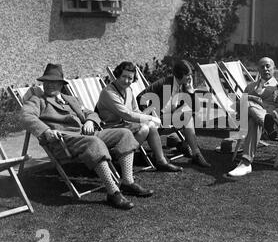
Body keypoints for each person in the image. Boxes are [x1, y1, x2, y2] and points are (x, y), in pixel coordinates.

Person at [22, 63, 154, 210]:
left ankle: (127, 182)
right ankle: (113, 192)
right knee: (94, 142)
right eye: (46, 82)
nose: (49, 85)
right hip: (64, 142)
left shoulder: (71, 99)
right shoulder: (37, 101)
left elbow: (91, 113)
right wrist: (46, 131)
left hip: (87, 134)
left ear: (61, 84)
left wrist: (90, 121)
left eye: (53, 82)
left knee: (125, 133)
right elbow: (26, 116)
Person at [96, 61, 182, 172]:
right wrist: (150, 118)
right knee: (145, 127)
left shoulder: (128, 90)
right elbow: (126, 114)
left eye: (130, 78)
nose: (127, 81)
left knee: (150, 126)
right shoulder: (108, 93)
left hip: (125, 125)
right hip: (110, 129)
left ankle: (161, 161)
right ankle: (119, 158)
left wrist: (151, 118)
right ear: (117, 75)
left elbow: (136, 110)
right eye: (124, 76)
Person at [228, 57, 278, 177]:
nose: (265, 69)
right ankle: (265, 123)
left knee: (251, 114)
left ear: (274, 68)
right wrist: (251, 103)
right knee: (247, 105)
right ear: (258, 70)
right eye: (262, 67)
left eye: (268, 66)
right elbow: (240, 113)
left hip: (275, 124)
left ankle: (245, 164)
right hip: (258, 127)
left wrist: (275, 113)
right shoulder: (250, 87)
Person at [136, 59, 211, 168]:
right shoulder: (164, 82)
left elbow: (196, 108)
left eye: (190, 75)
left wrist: (191, 92)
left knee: (189, 115)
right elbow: (140, 97)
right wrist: (149, 117)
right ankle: (191, 150)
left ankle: (195, 153)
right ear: (180, 75)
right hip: (158, 120)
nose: (190, 78)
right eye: (187, 75)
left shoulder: (186, 85)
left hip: (169, 118)